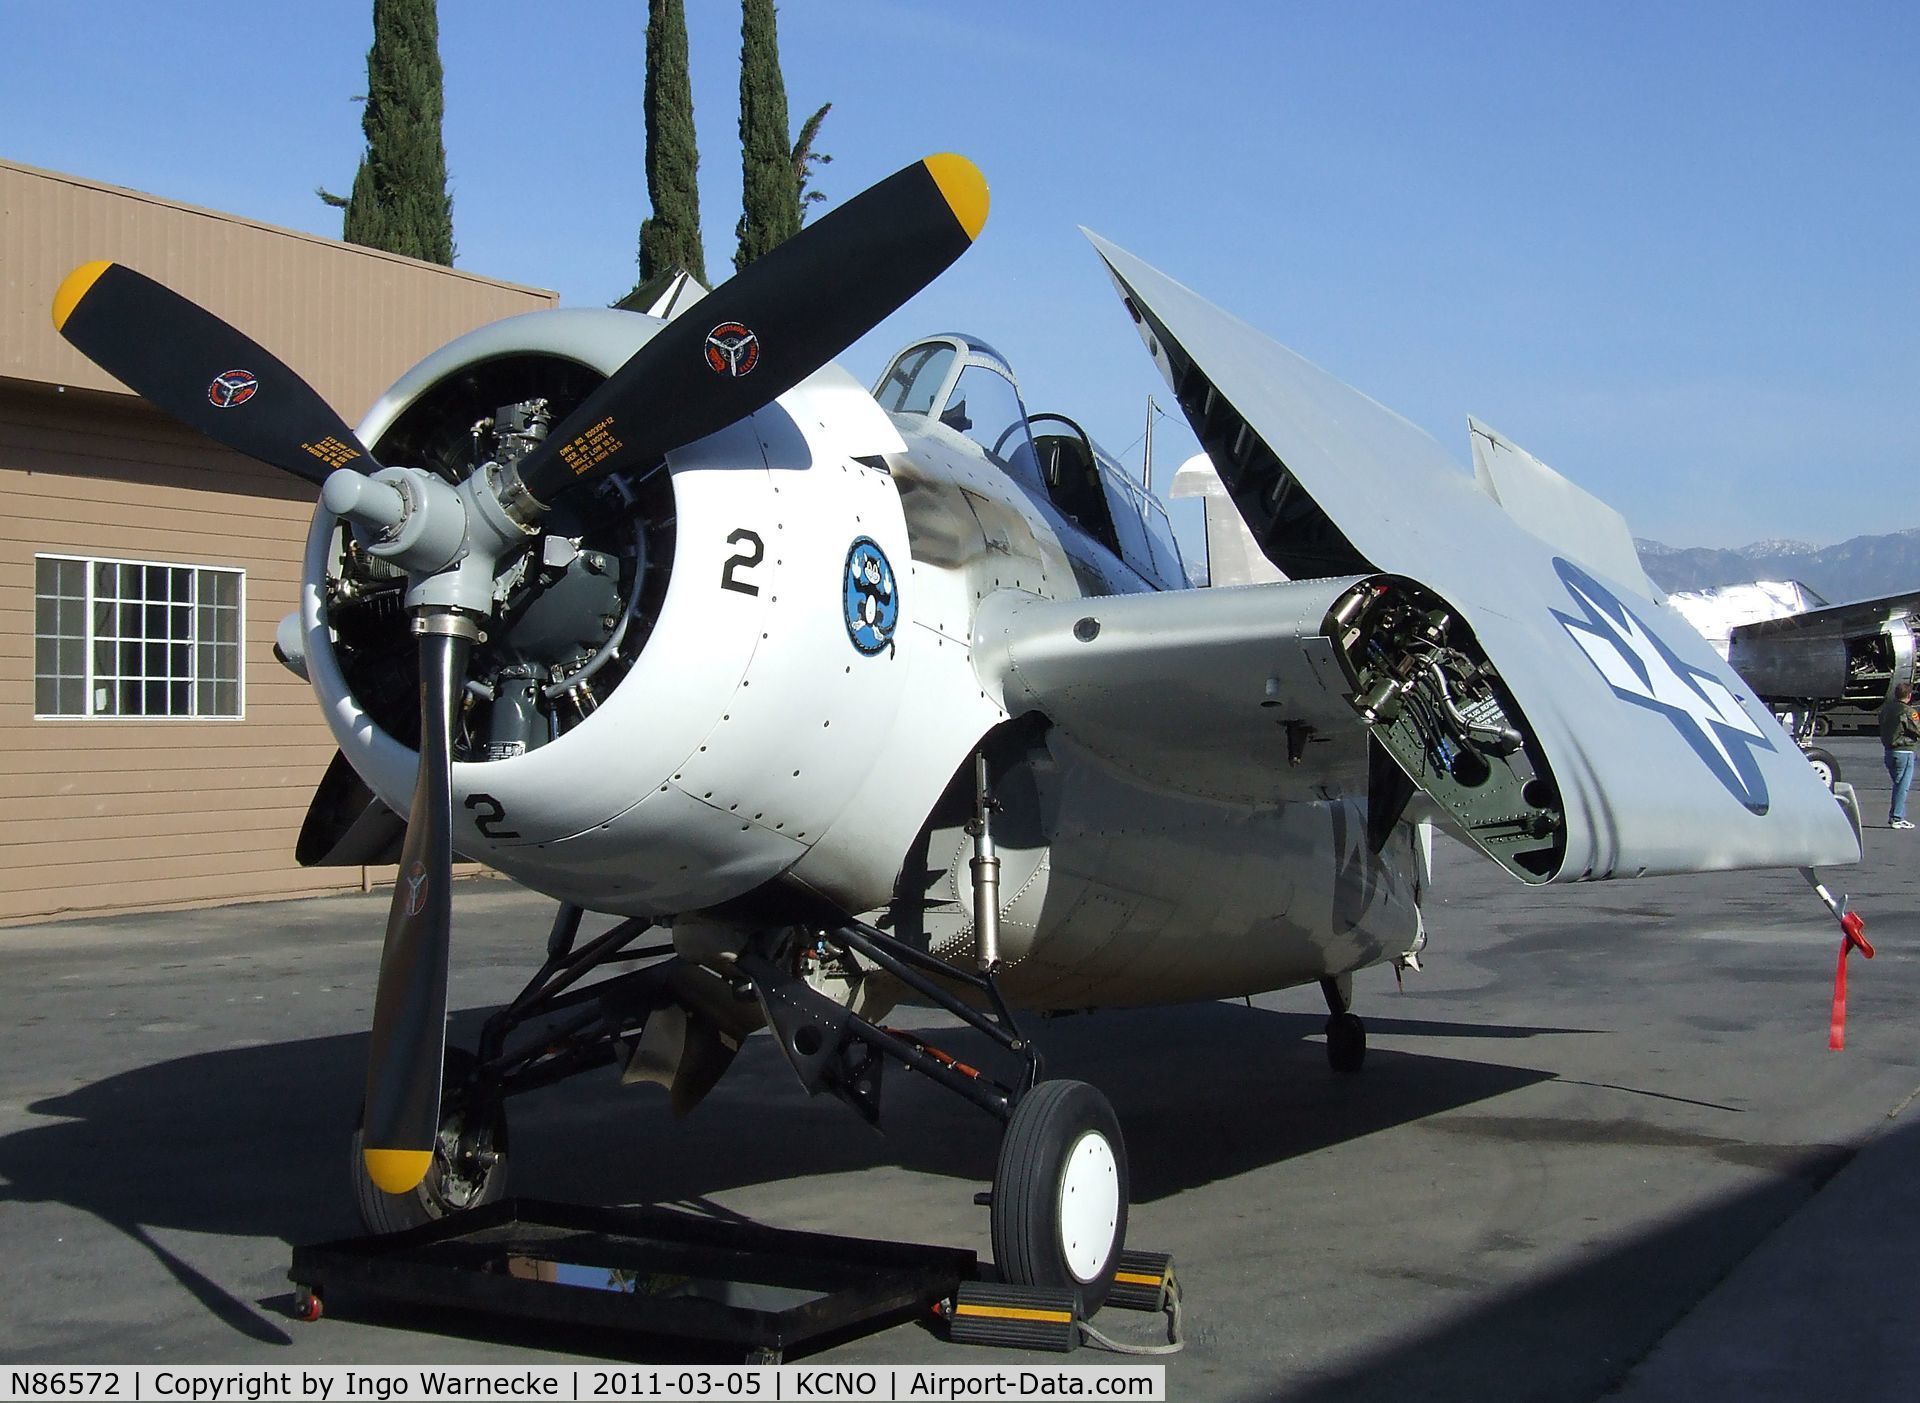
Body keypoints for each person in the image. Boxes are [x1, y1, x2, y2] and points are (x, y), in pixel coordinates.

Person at [1879, 682, 1920, 829]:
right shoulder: (1908, 711)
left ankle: (1897, 815)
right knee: (1903, 785)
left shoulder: (1886, 709)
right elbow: (1917, 729)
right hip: (1905, 750)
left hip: (1889, 751)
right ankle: (1897, 817)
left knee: (1898, 784)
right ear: (1909, 696)